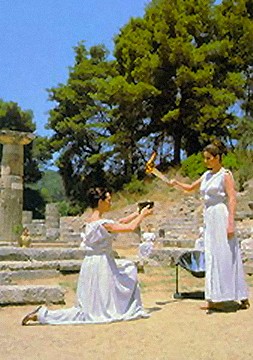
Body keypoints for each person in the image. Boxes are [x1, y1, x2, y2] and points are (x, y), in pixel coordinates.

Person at [21, 187, 153, 325]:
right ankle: (43, 315)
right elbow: (130, 228)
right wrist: (142, 215)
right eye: (108, 200)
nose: (110, 202)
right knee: (124, 275)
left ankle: (42, 315)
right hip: (102, 264)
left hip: (90, 263)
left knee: (87, 308)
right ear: (100, 202)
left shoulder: (91, 221)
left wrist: (136, 213)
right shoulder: (103, 223)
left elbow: (120, 221)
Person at [168, 140, 250, 313]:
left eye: (208, 158)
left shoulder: (225, 175)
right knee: (212, 255)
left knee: (227, 253)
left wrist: (231, 223)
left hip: (221, 214)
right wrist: (176, 183)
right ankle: (214, 297)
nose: (205, 162)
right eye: (204, 158)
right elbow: (191, 188)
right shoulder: (206, 175)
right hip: (209, 217)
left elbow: (232, 198)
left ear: (217, 158)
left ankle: (240, 295)